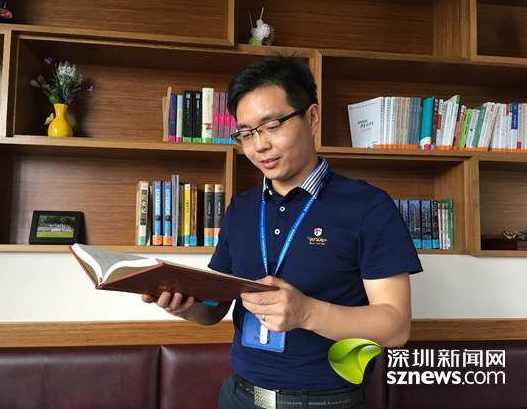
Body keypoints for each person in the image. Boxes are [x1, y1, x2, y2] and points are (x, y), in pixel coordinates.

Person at [142, 55, 423, 409]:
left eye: (272, 125)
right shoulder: (241, 209)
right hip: (239, 397)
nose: (259, 145)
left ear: (312, 117)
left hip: (326, 403)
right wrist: (185, 306)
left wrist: (306, 312)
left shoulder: (368, 206)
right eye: (246, 133)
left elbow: (395, 326)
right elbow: (215, 308)